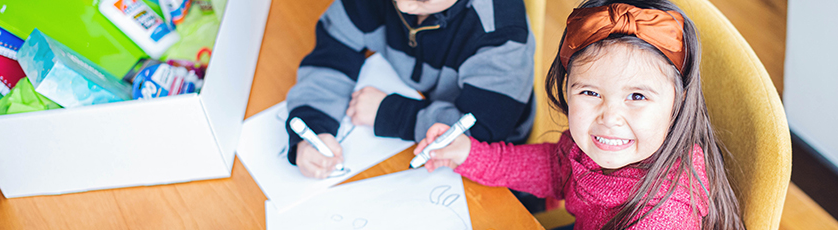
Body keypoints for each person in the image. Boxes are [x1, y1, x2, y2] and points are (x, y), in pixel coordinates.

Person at [414, 0, 746, 229]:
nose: (609, 116)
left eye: (637, 96)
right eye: (590, 92)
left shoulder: (665, 215)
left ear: (678, 102)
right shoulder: (596, 146)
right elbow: (555, 169)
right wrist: (468, 153)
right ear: (567, 87)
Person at [285, 0, 536, 179]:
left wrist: (390, 113)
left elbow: (482, 131)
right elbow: (330, 57)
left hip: (499, 157)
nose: (403, 6)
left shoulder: (502, 33)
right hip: (419, 116)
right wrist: (312, 127)